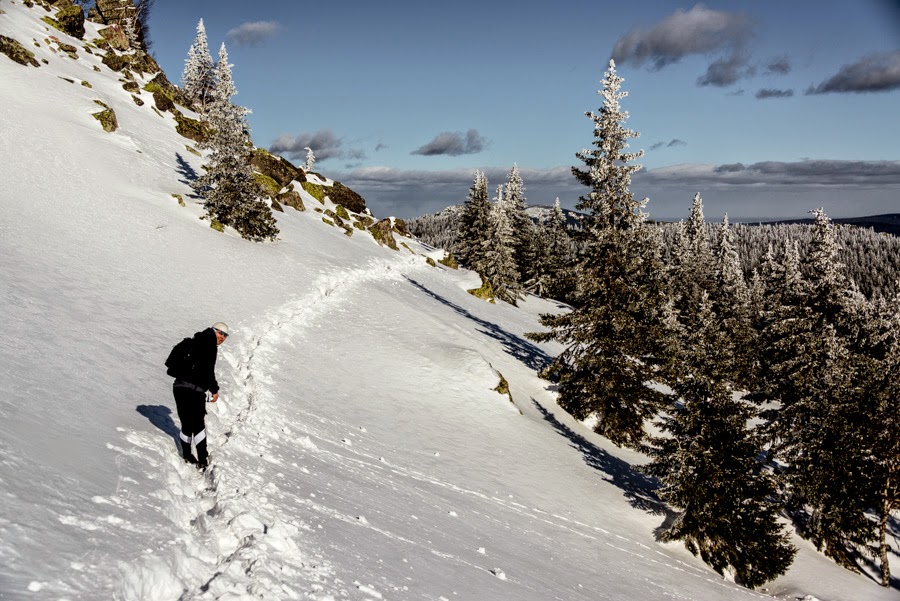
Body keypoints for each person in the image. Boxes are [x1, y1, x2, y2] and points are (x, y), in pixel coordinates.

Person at [172, 321, 228, 469]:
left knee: (186, 423)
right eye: (220, 333)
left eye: (225, 335)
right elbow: (208, 370)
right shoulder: (210, 344)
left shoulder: (198, 339)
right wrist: (214, 390)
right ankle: (202, 459)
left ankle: (187, 454)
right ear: (213, 330)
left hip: (179, 387)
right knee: (198, 424)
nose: (222, 337)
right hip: (194, 389)